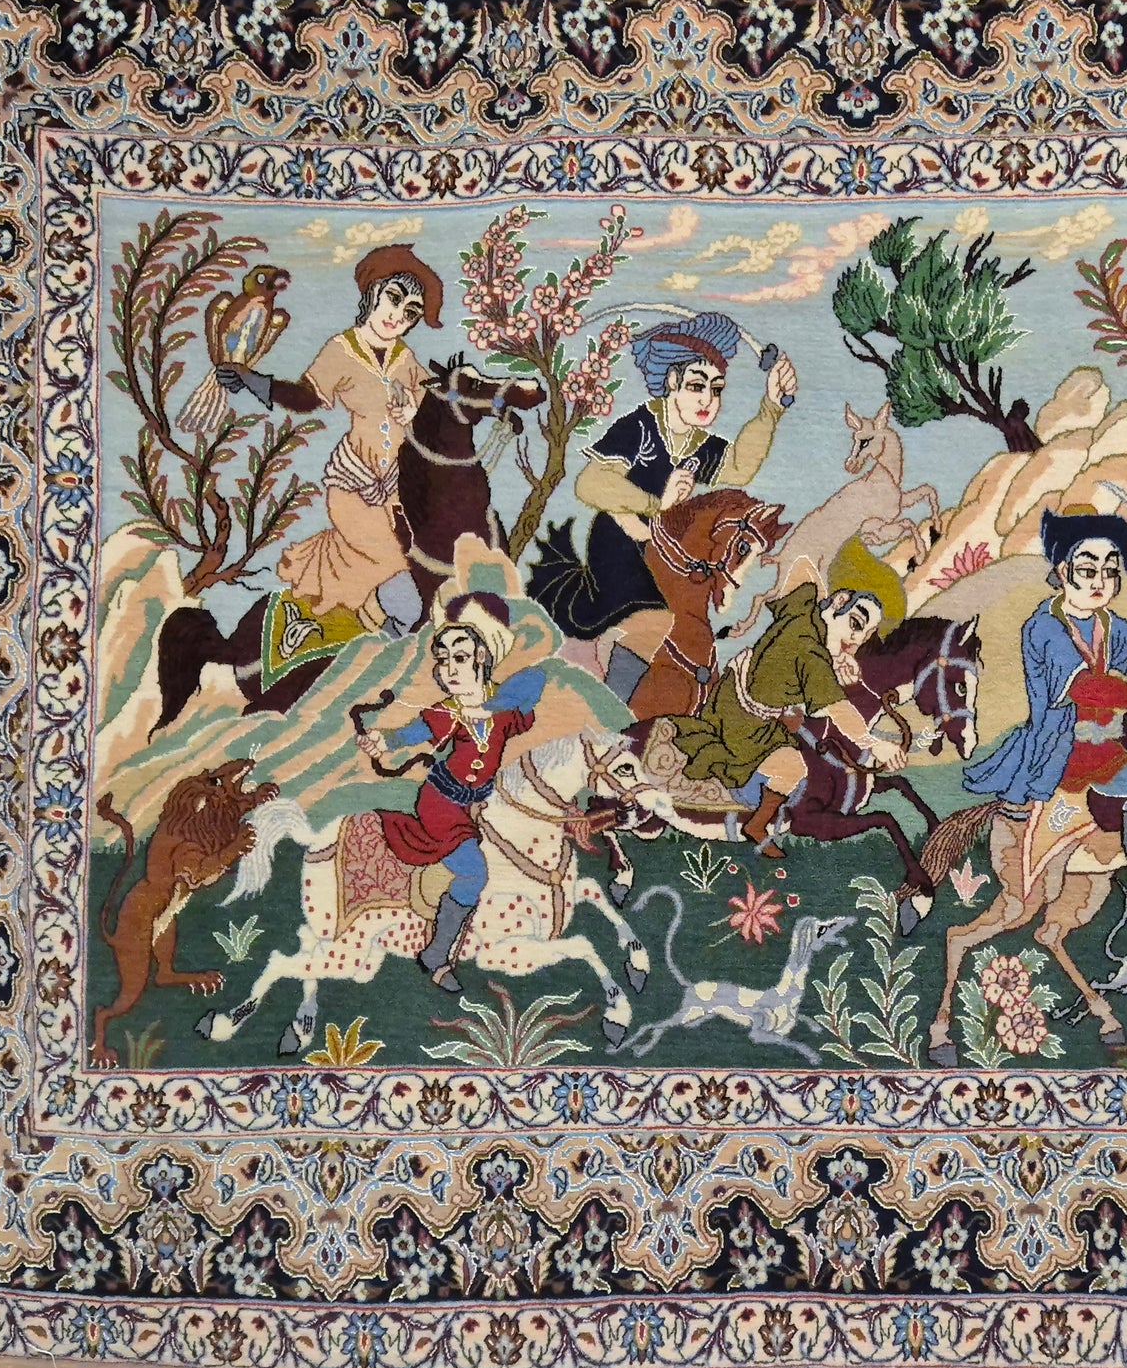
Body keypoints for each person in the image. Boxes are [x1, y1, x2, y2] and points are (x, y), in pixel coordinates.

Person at [529, 312, 798, 659]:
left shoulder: (699, 444)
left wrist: (771, 407)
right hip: (620, 545)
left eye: (716, 389)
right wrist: (658, 503)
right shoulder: (640, 426)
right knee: (648, 620)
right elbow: (590, 483)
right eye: (697, 386)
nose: (707, 400)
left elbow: (739, 467)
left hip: (664, 549)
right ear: (672, 380)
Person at [963, 506, 1127, 900]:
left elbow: (1123, 684)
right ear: (1063, 570)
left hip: (1107, 742)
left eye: (1110, 570)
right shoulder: (1044, 627)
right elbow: (1085, 688)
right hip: (1060, 748)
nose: (1100, 581)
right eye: (1087, 569)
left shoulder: (1118, 629)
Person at [217, 244, 445, 637]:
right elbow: (307, 397)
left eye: (410, 313)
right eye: (393, 298)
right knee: (396, 565)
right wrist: (257, 382)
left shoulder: (405, 358)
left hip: (400, 492)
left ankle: (378, 634)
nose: (396, 316)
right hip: (354, 486)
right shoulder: (341, 350)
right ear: (373, 291)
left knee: (426, 559)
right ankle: (383, 635)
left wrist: (416, 413)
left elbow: (435, 405)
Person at [669, 537, 905, 858]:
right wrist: (873, 743)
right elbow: (838, 710)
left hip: (729, 696)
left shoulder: (804, 611)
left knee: (796, 728)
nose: (855, 639)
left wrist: (835, 645)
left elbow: (803, 567)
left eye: (864, 635)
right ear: (839, 602)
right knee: (794, 766)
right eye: (855, 624)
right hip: (745, 725)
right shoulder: (810, 654)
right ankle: (757, 825)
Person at [354, 593, 544, 993]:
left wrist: (489, 708)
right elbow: (410, 733)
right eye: (443, 659)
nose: (449, 668)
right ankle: (436, 954)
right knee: (474, 873)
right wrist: (382, 741)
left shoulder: (503, 709)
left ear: (482, 657)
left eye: (460, 656)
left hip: (478, 802)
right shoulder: (448, 711)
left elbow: (536, 679)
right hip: (441, 803)